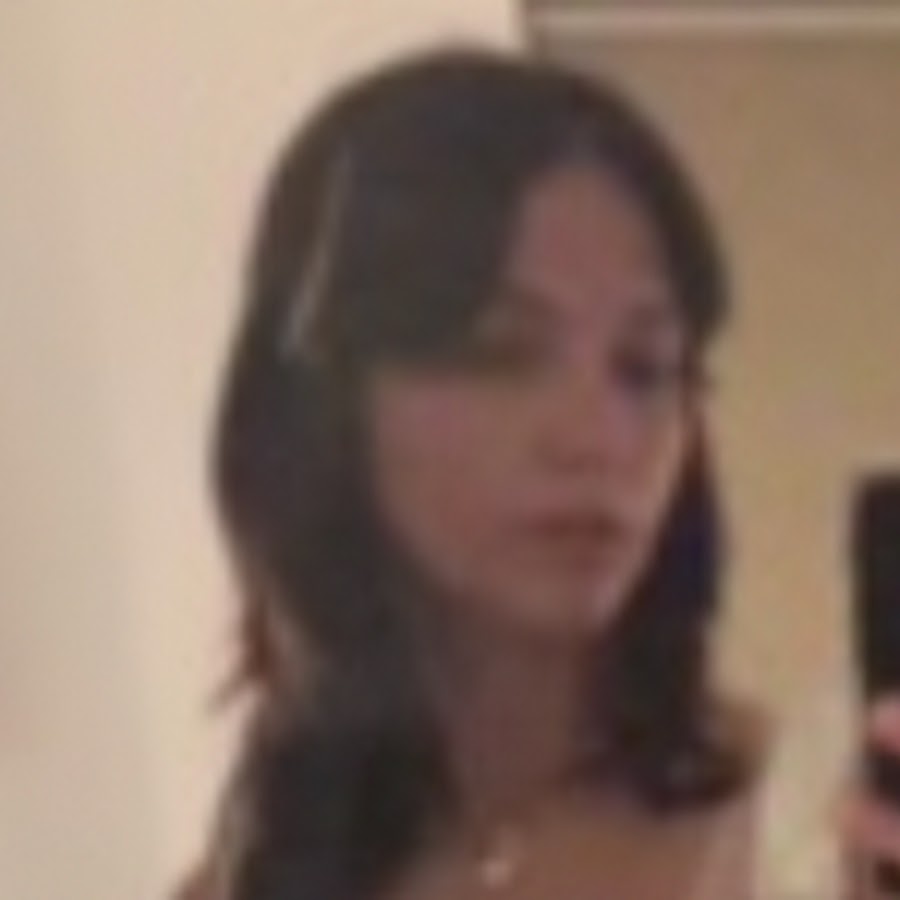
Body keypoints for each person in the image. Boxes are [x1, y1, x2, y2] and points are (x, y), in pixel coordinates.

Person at [178, 45, 900, 900]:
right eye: (499, 352)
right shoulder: (258, 867)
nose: (598, 439)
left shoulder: (807, 827)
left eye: (644, 367)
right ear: (325, 403)